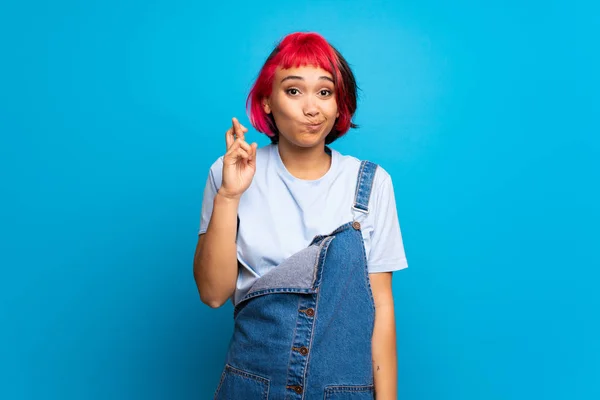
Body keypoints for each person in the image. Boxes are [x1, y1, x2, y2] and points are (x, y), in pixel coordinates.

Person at [193, 31, 409, 400]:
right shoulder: (228, 172)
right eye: (293, 91)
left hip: (342, 390)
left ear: (340, 105)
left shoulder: (370, 182)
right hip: (251, 387)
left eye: (325, 92)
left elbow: (381, 307)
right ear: (266, 102)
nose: (312, 108)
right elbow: (213, 295)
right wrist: (229, 195)